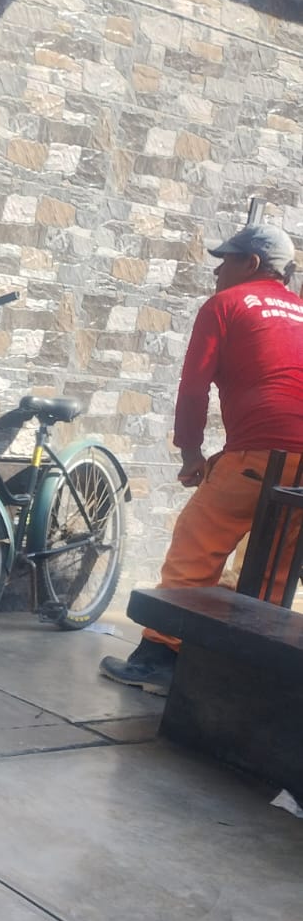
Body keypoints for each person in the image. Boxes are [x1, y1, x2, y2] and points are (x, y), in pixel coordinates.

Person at [99, 222, 303, 694]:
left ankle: (160, 657)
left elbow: (194, 386)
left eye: (224, 261)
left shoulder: (226, 304)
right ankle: (240, 673)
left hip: (258, 453)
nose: (216, 272)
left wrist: (191, 452)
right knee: (271, 567)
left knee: (196, 548)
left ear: (251, 264)